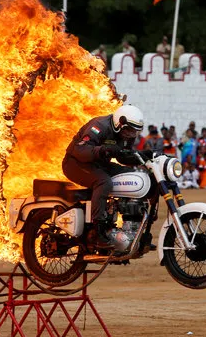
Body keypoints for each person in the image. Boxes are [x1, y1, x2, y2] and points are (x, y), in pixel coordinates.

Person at [62, 104, 151, 250]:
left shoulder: (128, 136)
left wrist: (147, 156)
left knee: (132, 177)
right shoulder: (99, 126)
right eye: (129, 130)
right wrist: (102, 151)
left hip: (99, 164)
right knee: (104, 182)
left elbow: (123, 156)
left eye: (135, 131)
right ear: (120, 124)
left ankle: (134, 229)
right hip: (75, 163)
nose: (131, 134)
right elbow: (80, 149)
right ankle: (98, 231)